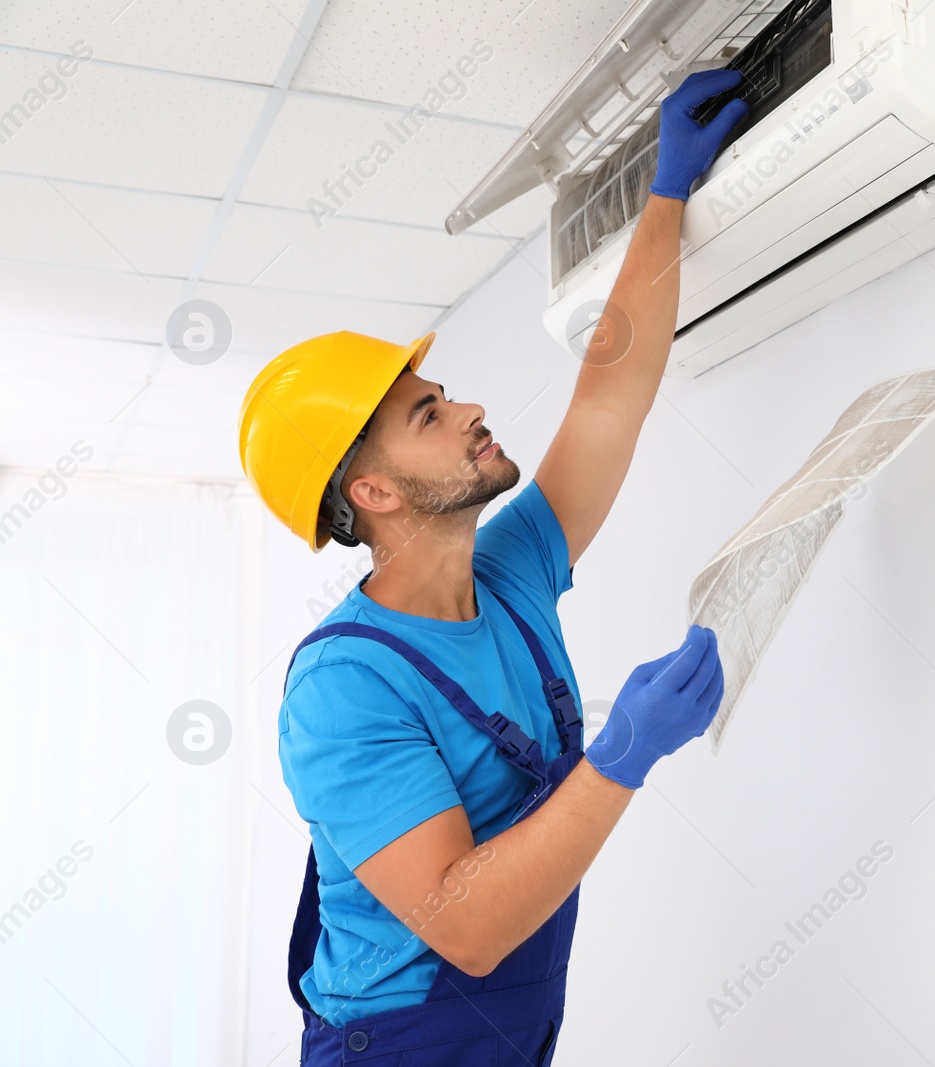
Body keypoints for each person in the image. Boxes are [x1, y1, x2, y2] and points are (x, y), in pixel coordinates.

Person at [235, 69, 751, 1066]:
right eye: (429, 414)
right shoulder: (343, 685)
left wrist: (667, 194)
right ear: (375, 492)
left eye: (443, 393)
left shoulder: (512, 572)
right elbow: (462, 924)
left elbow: (609, 396)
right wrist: (622, 756)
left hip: (512, 1033)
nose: (468, 408)